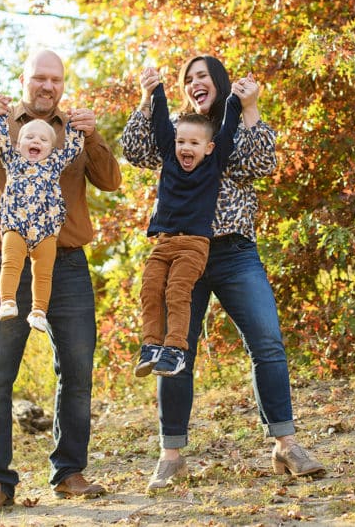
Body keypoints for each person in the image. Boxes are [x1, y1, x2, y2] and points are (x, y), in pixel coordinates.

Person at [121, 55, 326, 492]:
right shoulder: (179, 131)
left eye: (204, 76)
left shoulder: (229, 130)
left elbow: (261, 165)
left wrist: (250, 108)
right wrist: (145, 98)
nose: (197, 82)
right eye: (188, 78)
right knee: (177, 351)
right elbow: (135, 151)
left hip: (234, 251)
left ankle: (286, 444)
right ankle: (171, 455)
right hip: (179, 251)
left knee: (267, 341)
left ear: (220, 83)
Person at [0, 49, 121, 515]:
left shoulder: (75, 130)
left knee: (76, 373)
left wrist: (94, 135)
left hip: (68, 264)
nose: (47, 86)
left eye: (55, 79)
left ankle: (69, 472)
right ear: (24, 81)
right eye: (39, 78)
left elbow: (111, 180)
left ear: (62, 84)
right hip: (8, 263)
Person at [135, 69, 243, 378]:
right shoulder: (170, 155)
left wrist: (236, 97)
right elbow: (159, 123)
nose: (185, 147)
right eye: (181, 141)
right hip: (164, 241)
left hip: (194, 244)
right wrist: (155, 89)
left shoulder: (214, 162)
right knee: (150, 287)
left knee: (177, 291)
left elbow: (229, 125)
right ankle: (152, 345)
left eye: (194, 143)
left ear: (208, 148)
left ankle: (176, 350)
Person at [0, 116, 83, 331]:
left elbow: (73, 148)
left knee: (43, 272)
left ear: (51, 148)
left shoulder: (54, 163)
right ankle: (7, 302)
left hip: (46, 227)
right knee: (10, 262)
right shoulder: (12, 160)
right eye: (29, 137)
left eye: (43, 140)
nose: (36, 141)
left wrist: (74, 124)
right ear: (18, 144)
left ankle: (39, 311)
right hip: (15, 223)